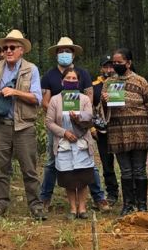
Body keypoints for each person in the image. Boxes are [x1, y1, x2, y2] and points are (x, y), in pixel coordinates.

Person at [0, 30, 45, 220]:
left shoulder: (32, 69)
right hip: (0, 125)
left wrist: (15, 92)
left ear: (21, 50)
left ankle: (36, 206)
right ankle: (0, 204)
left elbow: (37, 98)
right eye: (5, 48)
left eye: (12, 47)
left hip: (24, 126)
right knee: (0, 168)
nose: (8, 51)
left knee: (29, 168)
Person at [40, 37, 109, 212]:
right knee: (51, 162)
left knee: (88, 163)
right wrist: (58, 112)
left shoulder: (83, 73)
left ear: (73, 54)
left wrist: (80, 118)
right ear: (56, 53)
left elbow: (89, 98)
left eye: (68, 51)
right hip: (58, 126)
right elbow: (45, 100)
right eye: (61, 50)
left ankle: (98, 198)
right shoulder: (49, 75)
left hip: (81, 126)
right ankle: (45, 198)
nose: (64, 54)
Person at [99, 47, 148, 215]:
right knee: (126, 170)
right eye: (114, 63)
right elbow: (103, 111)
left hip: (139, 132)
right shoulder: (108, 83)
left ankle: (141, 205)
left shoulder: (141, 81)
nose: (115, 65)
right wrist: (105, 101)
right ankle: (128, 205)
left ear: (128, 63)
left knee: (139, 169)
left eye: (119, 62)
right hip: (118, 132)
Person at [46, 67, 98, 218]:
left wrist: (79, 118)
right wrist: (65, 133)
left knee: (82, 178)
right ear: (62, 81)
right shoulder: (55, 100)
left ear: (78, 82)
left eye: (74, 79)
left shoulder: (84, 99)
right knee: (68, 178)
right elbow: (49, 122)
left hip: (82, 143)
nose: (71, 80)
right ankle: (72, 208)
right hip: (64, 144)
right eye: (68, 78)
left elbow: (90, 118)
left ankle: (82, 208)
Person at [92, 56, 119, 204]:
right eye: (106, 67)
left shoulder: (120, 83)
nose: (109, 70)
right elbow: (88, 106)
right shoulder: (94, 85)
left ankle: (130, 191)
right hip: (101, 130)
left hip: (119, 128)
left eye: (112, 66)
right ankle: (112, 192)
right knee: (107, 163)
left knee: (124, 162)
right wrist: (91, 128)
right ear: (101, 68)